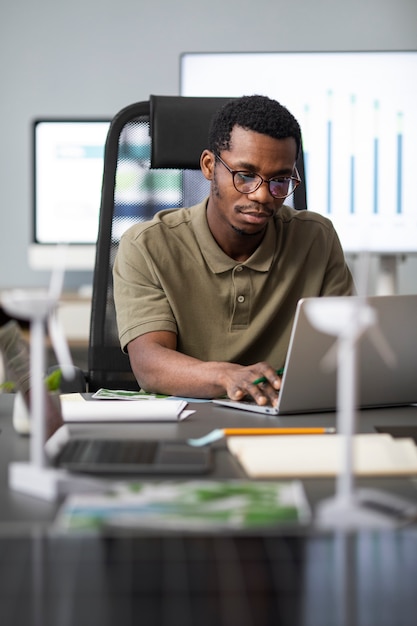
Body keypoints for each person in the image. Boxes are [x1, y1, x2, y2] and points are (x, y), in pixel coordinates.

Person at [113, 95, 354, 407]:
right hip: (186, 424)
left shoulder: (316, 239)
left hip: (287, 425)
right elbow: (149, 365)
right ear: (210, 166)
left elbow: (347, 351)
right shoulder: (147, 245)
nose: (263, 195)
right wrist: (227, 376)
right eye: (246, 175)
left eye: (280, 180)